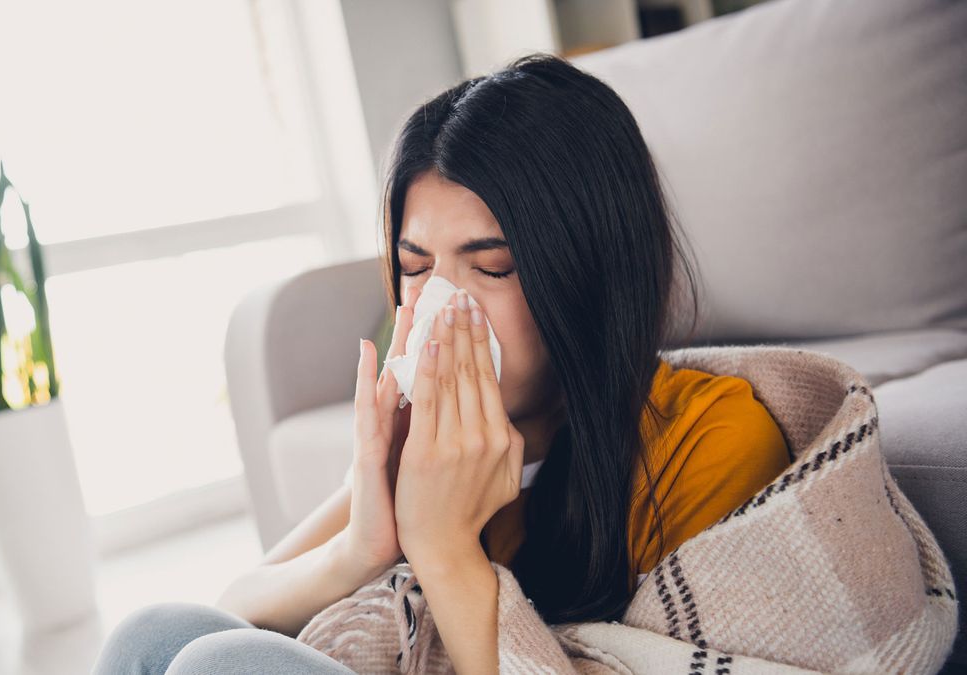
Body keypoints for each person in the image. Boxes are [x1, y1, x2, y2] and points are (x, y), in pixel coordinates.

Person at [90, 50, 790, 674]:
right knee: (153, 633)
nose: (444, 307)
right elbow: (235, 599)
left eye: (493, 268)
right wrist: (363, 545)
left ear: (592, 275)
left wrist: (445, 545)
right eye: (415, 268)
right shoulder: (422, 440)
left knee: (225, 662)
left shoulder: (712, 440)